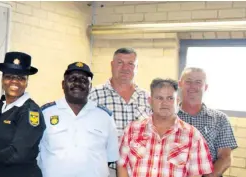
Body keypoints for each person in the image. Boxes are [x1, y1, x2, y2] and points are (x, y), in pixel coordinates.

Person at [117, 78, 213, 177]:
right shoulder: (132, 130)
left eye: (170, 98)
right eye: (159, 98)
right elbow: (122, 165)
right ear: (150, 101)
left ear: (177, 101)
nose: (164, 103)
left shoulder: (192, 135)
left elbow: (195, 173)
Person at [37, 62, 119, 177]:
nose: (78, 83)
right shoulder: (45, 113)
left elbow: (110, 157)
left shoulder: (105, 116)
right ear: (63, 84)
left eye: (84, 80)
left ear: (90, 86)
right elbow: (35, 152)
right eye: (72, 79)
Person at [87, 48, 150, 176]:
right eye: (120, 63)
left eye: (130, 64)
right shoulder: (93, 96)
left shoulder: (148, 98)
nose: (125, 68)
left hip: (139, 169)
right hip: (104, 169)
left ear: (137, 67)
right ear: (112, 65)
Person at [0, 52, 44, 177]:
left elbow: (18, 152)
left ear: (26, 82)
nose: (14, 81)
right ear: (2, 80)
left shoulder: (30, 111)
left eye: (21, 78)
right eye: (9, 76)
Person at [178, 67, 237, 177]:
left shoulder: (220, 119)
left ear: (205, 87)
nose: (193, 86)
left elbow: (225, 157)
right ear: (180, 84)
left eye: (198, 82)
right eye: (188, 81)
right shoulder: (167, 118)